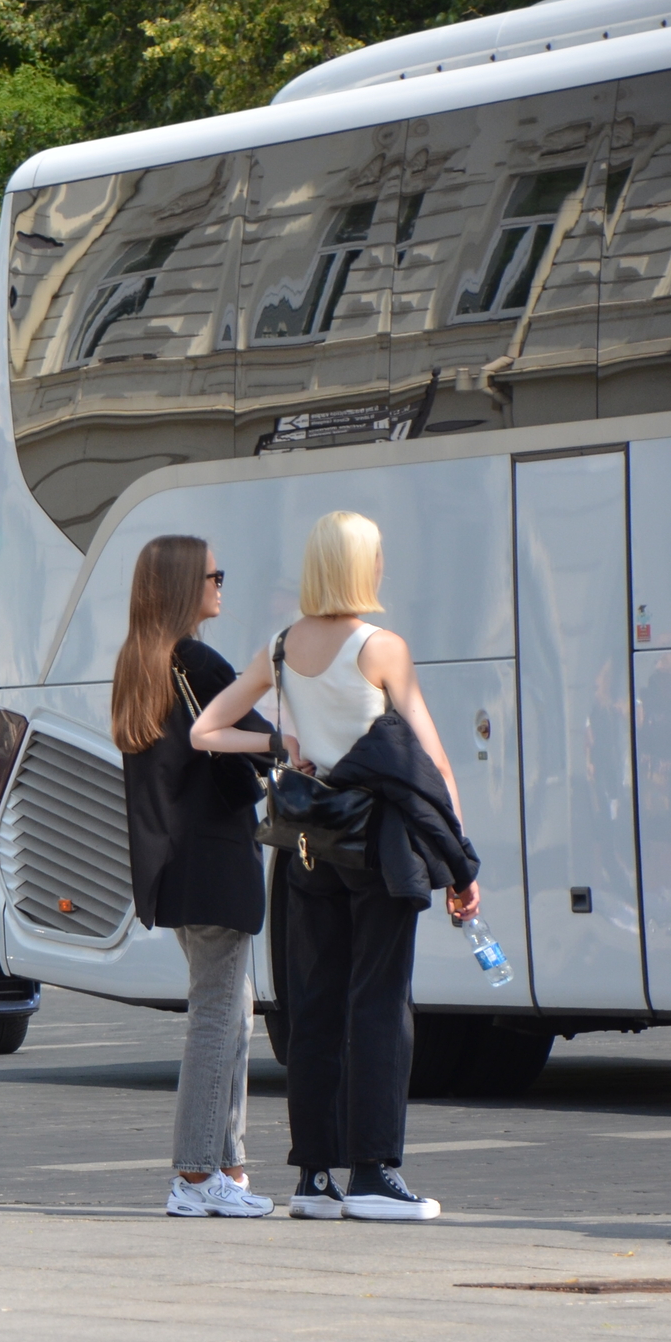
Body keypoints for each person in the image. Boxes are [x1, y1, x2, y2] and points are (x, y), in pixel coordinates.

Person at [192, 511, 480, 1223]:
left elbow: (205, 730)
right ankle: (376, 1176)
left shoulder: (281, 648)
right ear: (362, 567)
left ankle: (315, 1177)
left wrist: (282, 744)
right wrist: (461, 862)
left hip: (305, 846)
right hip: (378, 844)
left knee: (313, 1007)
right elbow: (430, 761)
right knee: (380, 1004)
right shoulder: (381, 648)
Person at [113, 536, 274, 1220]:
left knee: (232, 1010)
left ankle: (226, 1165)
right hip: (214, 861)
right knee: (217, 1015)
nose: (221, 585)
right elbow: (262, 733)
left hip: (175, 866)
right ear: (185, 586)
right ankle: (196, 1173)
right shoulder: (198, 662)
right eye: (214, 575)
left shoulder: (138, 664)